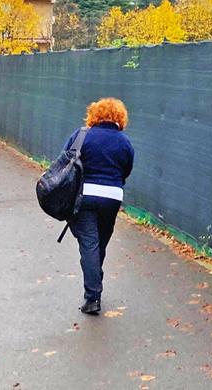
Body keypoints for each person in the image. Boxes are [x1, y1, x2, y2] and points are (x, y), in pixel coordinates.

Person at [62, 97, 134, 315]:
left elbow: (65, 160)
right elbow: (126, 170)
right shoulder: (124, 142)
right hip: (112, 197)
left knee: (89, 245)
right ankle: (95, 283)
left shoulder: (82, 136)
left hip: (85, 197)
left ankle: (93, 297)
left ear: (94, 115)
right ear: (120, 117)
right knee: (99, 243)